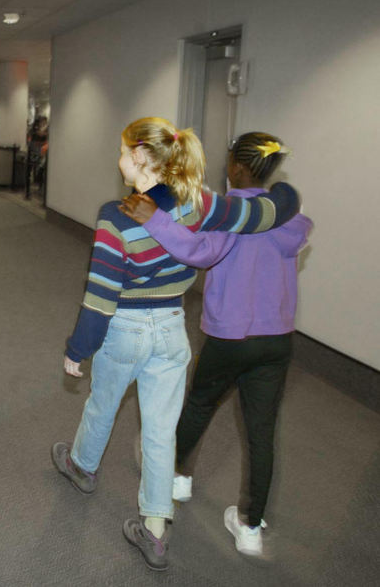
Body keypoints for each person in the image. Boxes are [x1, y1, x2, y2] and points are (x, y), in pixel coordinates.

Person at [51, 116, 300, 571]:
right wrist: (288, 194)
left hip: (125, 328)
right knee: (162, 432)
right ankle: (155, 529)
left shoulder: (115, 215)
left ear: (143, 158)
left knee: (103, 403)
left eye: (125, 152)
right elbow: (261, 213)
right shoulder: (201, 204)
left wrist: (77, 348)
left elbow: (101, 295)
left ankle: (83, 467)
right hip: (171, 328)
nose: (120, 159)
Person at [120, 132, 313, 558]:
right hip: (276, 341)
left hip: (231, 336)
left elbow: (199, 252)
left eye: (228, 161)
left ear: (239, 168)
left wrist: (153, 218)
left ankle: (176, 477)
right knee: (262, 432)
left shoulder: (236, 215)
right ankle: (250, 528)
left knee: (200, 404)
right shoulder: (291, 220)